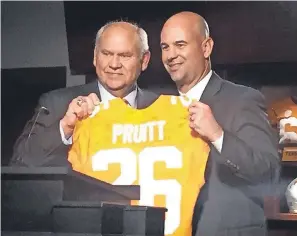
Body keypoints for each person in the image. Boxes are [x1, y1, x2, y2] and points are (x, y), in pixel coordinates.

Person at [160, 11, 280, 236]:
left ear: (206, 47)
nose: (171, 55)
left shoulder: (242, 100)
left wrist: (218, 135)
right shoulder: (159, 106)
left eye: (180, 44)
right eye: (165, 47)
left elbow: (270, 174)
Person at [11, 21, 158, 166]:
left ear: (144, 60)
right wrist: (66, 127)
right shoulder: (57, 103)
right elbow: (21, 161)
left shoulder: (161, 107)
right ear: (95, 56)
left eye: (125, 55)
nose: (114, 64)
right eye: (106, 54)